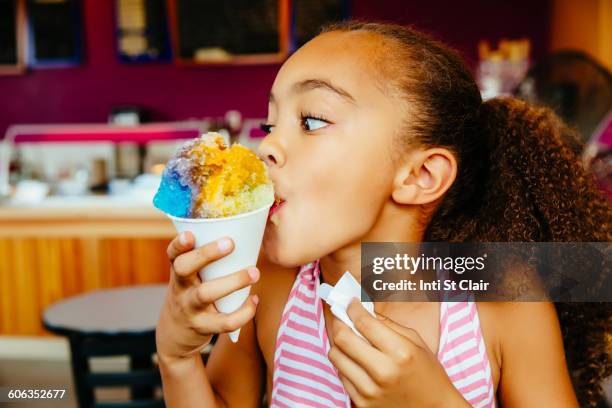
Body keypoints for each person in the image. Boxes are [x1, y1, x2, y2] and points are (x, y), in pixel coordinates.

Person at [155, 21, 611, 407]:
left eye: (311, 121)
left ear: (420, 176)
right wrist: (177, 359)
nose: (266, 146)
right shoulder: (271, 286)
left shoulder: (506, 303)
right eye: (270, 124)